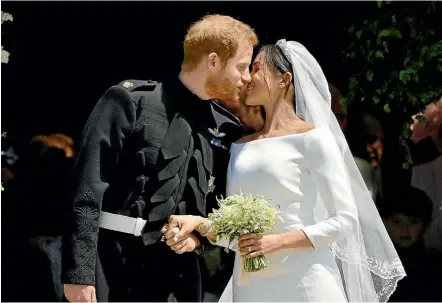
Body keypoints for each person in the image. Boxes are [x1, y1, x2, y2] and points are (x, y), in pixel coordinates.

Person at [162, 40, 406, 302]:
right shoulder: (240, 147)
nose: (247, 78)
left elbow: (345, 220)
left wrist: (275, 242)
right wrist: (199, 224)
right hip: (251, 287)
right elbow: (237, 237)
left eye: (256, 68)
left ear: (284, 79)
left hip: (305, 282)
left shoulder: (314, 139)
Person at [62, 14, 260, 302]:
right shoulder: (131, 101)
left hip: (179, 280)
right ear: (214, 61)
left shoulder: (228, 129)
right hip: (112, 266)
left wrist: (199, 240)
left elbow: (218, 208)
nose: (246, 77)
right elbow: (86, 189)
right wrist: (79, 274)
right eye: (241, 67)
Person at [381, 186, 442, 302]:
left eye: (413, 222)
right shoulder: (373, 265)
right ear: (384, 222)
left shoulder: (436, 264)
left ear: (426, 224)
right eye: (396, 221)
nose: (404, 230)